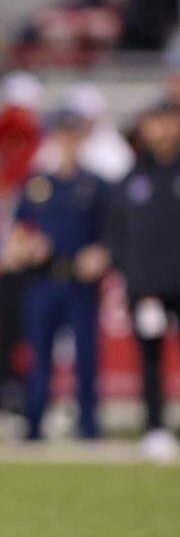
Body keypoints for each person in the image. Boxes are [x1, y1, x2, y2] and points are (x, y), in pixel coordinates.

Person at [5, 107, 109, 441]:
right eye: (63, 135)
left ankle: (89, 426)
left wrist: (100, 254)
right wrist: (27, 246)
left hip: (80, 282)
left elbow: (111, 234)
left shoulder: (95, 186)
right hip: (44, 279)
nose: (68, 143)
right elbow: (18, 231)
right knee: (39, 354)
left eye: (73, 136)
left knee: (87, 356)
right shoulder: (39, 185)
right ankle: (34, 423)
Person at [106, 100, 180, 462]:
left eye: (169, 122)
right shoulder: (132, 177)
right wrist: (136, 280)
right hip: (147, 289)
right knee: (150, 361)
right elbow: (117, 237)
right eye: (155, 123)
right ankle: (155, 427)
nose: (162, 130)